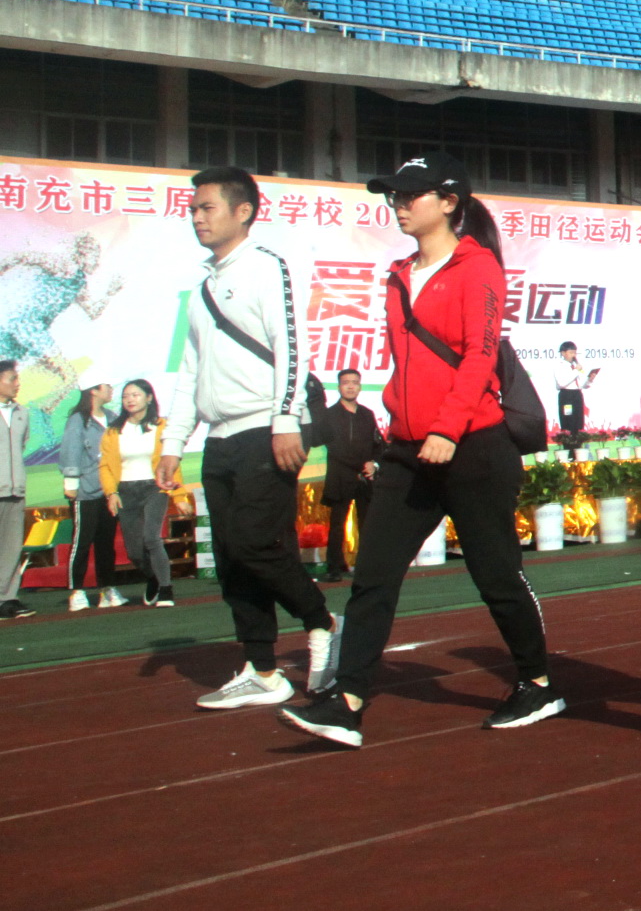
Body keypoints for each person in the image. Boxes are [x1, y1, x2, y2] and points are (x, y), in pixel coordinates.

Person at [281, 152, 562, 748]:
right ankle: (349, 700)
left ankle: (537, 682)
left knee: (496, 575)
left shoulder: (478, 267)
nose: (399, 205)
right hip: (407, 451)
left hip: (473, 445)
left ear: (449, 202)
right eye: (394, 196)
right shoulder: (397, 275)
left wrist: (447, 428)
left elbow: (481, 355)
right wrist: (400, 426)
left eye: (411, 195)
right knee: (373, 577)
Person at [181, 168, 340, 709]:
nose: (197, 216)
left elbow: (291, 348)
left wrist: (284, 420)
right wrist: (174, 441)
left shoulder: (267, 268)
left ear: (243, 211)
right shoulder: (202, 287)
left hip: (262, 432)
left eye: (207, 207)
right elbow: (189, 371)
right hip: (219, 439)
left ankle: (321, 621)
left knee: (254, 542)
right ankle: (264, 670)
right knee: (230, 557)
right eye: (194, 208)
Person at [101, 379, 181, 608]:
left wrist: (180, 495)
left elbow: (173, 462)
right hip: (126, 490)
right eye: (126, 396)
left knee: (151, 538)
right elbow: (105, 466)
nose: (130, 400)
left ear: (148, 397)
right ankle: (153, 577)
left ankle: (166, 588)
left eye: (135, 395)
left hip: (154, 487)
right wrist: (111, 493)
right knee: (134, 551)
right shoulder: (114, 431)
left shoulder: (161, 426)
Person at [313, 369, 382, 583]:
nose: (351, 386)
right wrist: (360, 464)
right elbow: (334, 447)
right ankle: (334, 567)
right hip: (341, 477)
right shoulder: (329, 415)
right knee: (337, 524)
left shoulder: (367, 414)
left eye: (355, 382)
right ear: (338, 386)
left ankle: (368, 567)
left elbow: (378, 444)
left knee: (367, 524)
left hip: (365, 479)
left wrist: (374, 464)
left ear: (360, 386)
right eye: (346, 382)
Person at [56, 378, 116, 609]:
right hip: (85, 491)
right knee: (82, 541)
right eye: (107, 385)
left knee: (106, 543)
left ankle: (106, 589)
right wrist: (70, 482)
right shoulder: (78, 420)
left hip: (109, 491)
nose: (111, 390)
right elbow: (71, 451)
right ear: (94, 390)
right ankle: (76, 591)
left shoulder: (112, 418)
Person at [0, 360, 30, 620]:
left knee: (11, 546)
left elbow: (20, 446)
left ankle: (8, 597)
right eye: (12, 379)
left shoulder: (22, 413)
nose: (17, 384)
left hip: (15, 489)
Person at [553, 342, 599, 451]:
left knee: (578, 422)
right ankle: (569, 451)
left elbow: (582, 385)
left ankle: (578, 450)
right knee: (568, 422)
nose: (574, 355)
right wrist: (576, 370)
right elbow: (562, 383)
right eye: (571, 352)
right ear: (563, 353)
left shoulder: (575, 366)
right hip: (566, 396)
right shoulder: (559, 366)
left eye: (575, 352)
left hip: (577, 395)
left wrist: (589, 379)